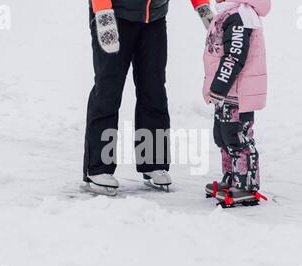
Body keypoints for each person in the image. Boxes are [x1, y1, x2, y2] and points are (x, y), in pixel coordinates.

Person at [84, 0, 215, 195]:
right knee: (108, 91)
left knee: (154, 90)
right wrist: (103, 13)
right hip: (114, 16)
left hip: (154, 18)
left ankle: (152, 164)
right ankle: (98, 168)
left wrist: (202, 7)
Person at [202, 0, 271, 205]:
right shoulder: (228, 13)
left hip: (236, 94)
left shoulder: (241, 17)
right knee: (223, 137)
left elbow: (234, 55)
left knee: (237, 138)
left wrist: (219, 86)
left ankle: (245, 185)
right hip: (226, 92)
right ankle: (232, 178)